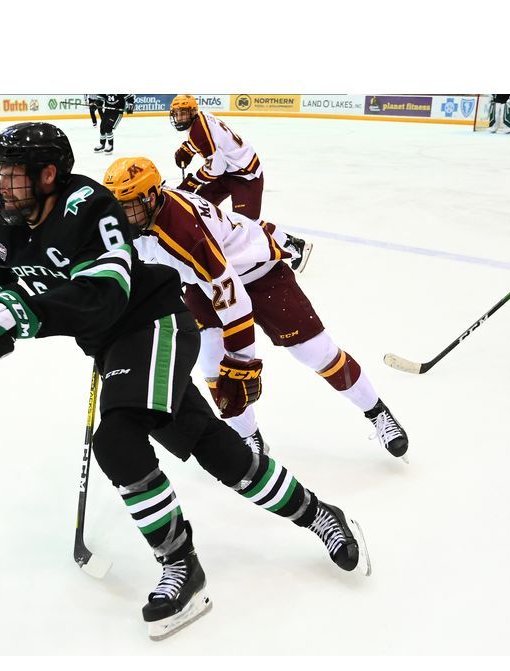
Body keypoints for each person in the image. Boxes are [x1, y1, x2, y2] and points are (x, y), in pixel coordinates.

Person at [0, 122, 370, 641]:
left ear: (49, 175)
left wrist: (25, 315)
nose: (2, 186)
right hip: (114, 346)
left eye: (13, 175)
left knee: (118, 440)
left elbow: (106, 293)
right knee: (221, 453)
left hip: (155, 325)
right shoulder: (1, 217)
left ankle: (182, 567)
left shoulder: (89, 205)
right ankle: (320, 515)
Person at [102, 156, 410, 461]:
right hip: (204, 282)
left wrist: (241, 360)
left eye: (129, 206)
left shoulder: (184, 232)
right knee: (211, 366)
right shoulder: (136, 220)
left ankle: (376, 411)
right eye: (119, 206)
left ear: (152, 197)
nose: (123, 214)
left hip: (257, 273)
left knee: (317, 353)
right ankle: (248, 436)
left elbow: (233, 297)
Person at [169, 94, 264, 220]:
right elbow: (213, 140)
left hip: (246, 176)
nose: (180, 118)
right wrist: (188, 148)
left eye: (183, 113)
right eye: (176, 114)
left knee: (247, 226)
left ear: (192, 112)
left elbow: (216, 168)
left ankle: (284, 239)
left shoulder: (199, 132)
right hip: (226, 172)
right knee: (199, 207)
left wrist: (192, 182)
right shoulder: (200, 118)